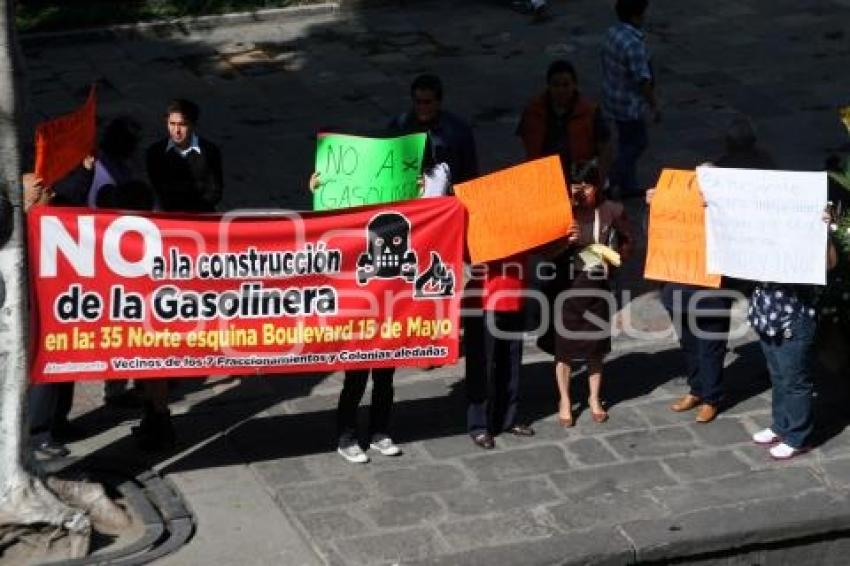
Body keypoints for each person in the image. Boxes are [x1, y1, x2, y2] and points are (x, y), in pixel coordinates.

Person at [649, 116, 776, 424]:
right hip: (678, 282)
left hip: (711, 284)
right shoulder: (679, 207)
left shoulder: (727, 213)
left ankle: (712, 395)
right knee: (688, 341)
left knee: (710, 342)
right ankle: (696, 388)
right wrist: (658, 202)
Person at [308, 172, 402, 464]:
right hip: (359, 318)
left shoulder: (394, 228)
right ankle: (346, 437)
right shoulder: (356, 236)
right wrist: (318, 193)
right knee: (356, 378)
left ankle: (379, 431)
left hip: (389, 314)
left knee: (385, 377)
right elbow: (324, 229)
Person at [545, 162, 632, 426]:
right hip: (566, 288)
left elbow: (628, 241)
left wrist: (615, 261)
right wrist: (563, 243)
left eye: (586, 186)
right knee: (565, 349)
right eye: (575, 186)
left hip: (596, 288)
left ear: (597, 186)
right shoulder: (560, 212)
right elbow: (543, 252)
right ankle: (564, 399)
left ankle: (594, 398)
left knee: (596, 348)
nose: (580, 192)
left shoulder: (611, 211)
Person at [749, 212, 838, 460]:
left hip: (794, 318)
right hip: (766, 314)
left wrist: (825, 232)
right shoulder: (764, 231)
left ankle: (798, 437)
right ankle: (781, 425)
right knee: (778, 375)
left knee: (795, 380)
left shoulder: (807, 233)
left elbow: (829, 264)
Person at [517, 60, 613, 187]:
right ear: (549, 86)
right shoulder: (534, 112)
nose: (561, 90)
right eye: (556, 85)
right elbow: (526, 140)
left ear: (574, 85)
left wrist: (599, 178)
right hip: (545, 180)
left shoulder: (590, 112)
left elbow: (605, 147)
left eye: (566, 85)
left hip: (579, 182)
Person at [601, 0, 659, 199]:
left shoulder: (612, 33)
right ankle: (611, 178)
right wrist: (654, 105)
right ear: (635, 16)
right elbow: (642, 80)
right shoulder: (633, 44)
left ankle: (628, 184)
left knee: (626, 141)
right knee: (637, 142)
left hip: (613, 98)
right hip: (629, 105)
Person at [387, 74, 479, 195]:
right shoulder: (399, 127)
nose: (422, 107)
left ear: (438, 102)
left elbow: (469, 172)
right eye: (418, 102)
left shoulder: (458, 131)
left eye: (427, 102)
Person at [146, 98, 223, 213]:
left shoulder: (209, 151)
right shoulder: (156, 152)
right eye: (172, 124)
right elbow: (157, 188)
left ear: (193, 125)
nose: (176, 130)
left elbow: (215, 190)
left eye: (182, 124)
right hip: (168, 217)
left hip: (200, 217)